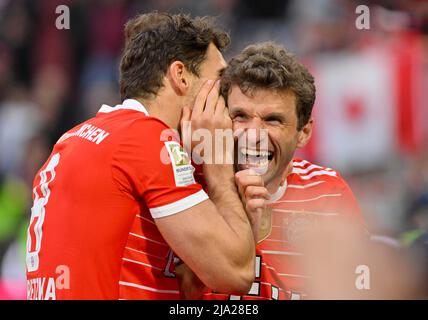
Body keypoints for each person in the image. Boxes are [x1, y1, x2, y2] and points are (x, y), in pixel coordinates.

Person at [25, 12, 267, 300]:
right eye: (219, 81)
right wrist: (218, 163)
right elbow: (235, 274)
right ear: (180, 76)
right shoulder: (146, 139)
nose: (226, 97)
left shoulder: (73, 137)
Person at [177, 42, 365, 300]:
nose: (253, 136)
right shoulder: (187, 185)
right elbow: (179, 294)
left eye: (272, 120)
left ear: (304, 132)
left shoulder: (328, 194)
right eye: (240, 116)